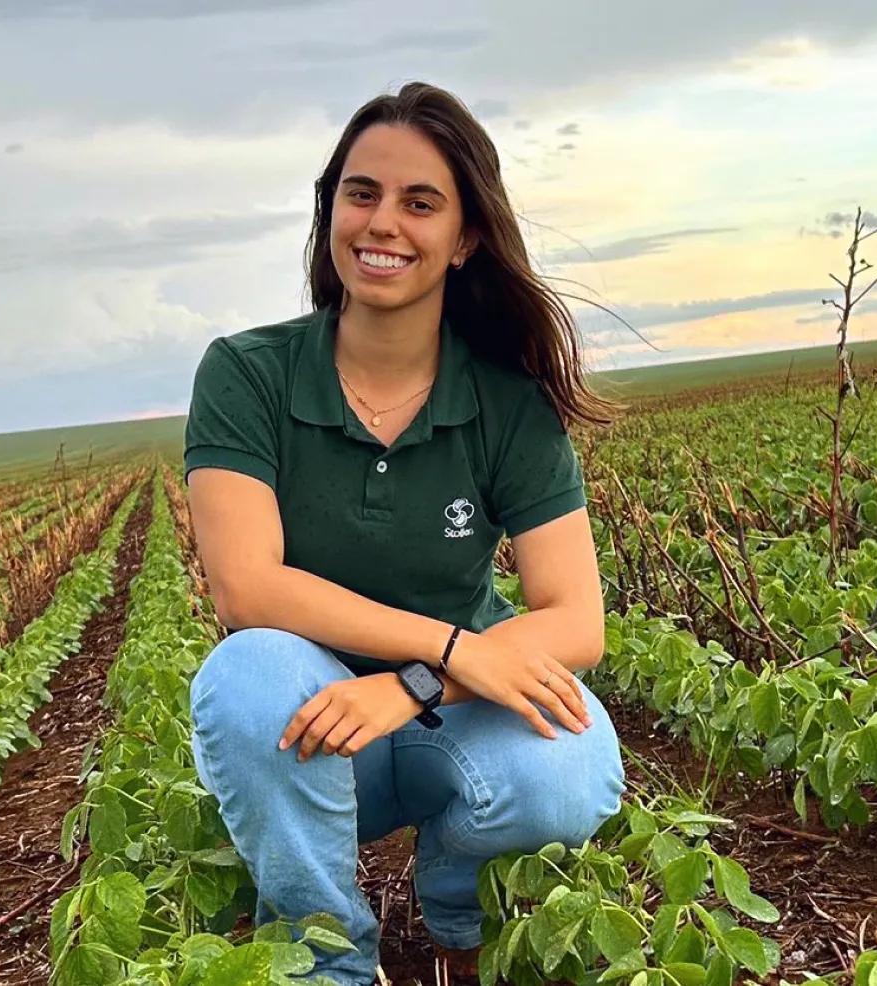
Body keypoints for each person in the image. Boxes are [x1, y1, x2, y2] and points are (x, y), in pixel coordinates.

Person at [184, 81, 627, 986]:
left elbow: (575, 620)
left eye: (419, 203)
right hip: (306, 723)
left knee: (569, 775)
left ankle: (452, 900)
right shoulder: (247, 373)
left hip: (437, 722)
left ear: (465, 237)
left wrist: (416, 685)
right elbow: (247, 589)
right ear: (331, 210)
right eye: (361, 193)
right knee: (246, 672)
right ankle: (327, 956)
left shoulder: (505, 401)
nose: (382, 223)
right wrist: (448, 648)